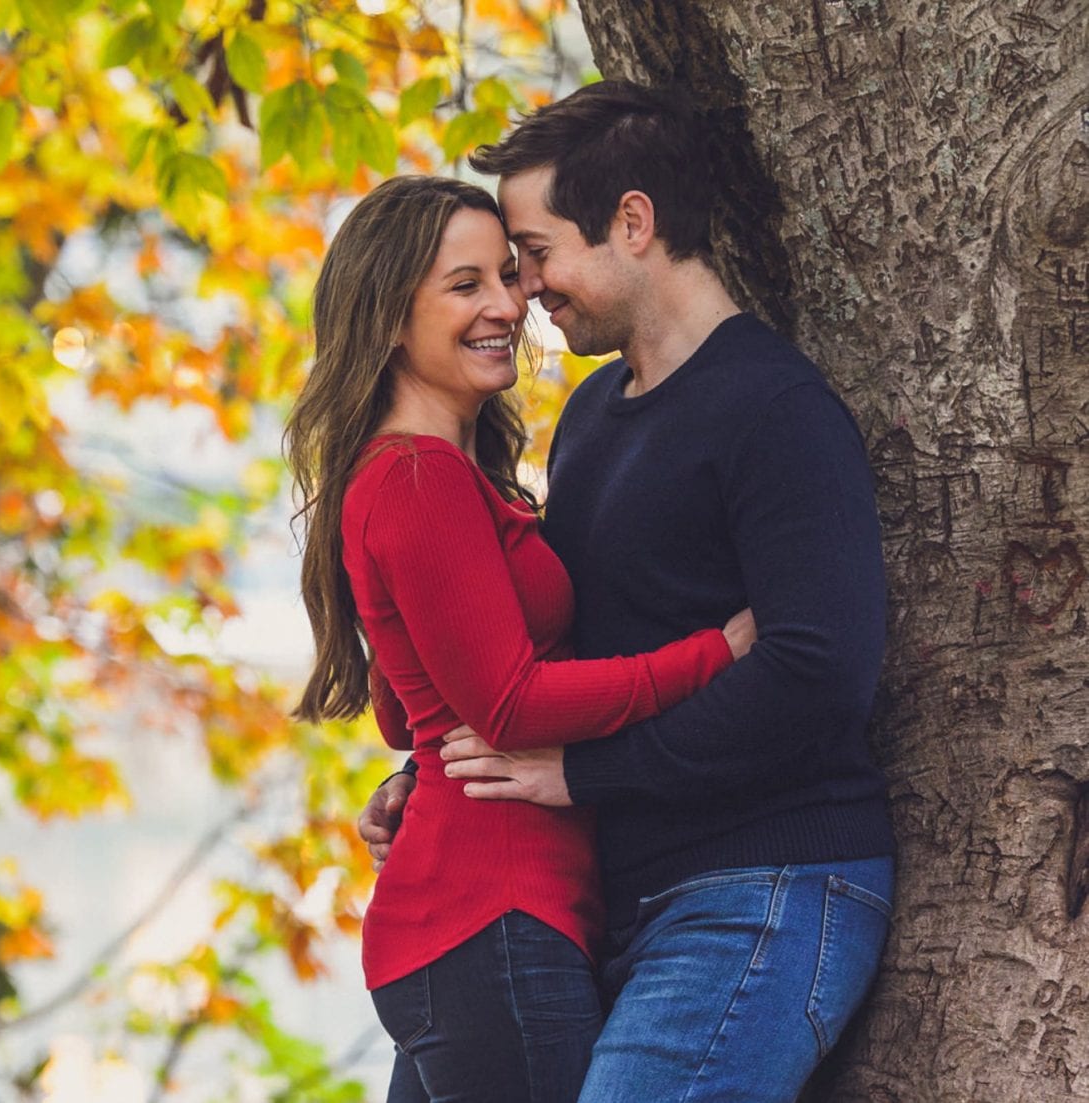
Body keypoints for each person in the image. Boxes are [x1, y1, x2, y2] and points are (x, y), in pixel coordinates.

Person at [358, 82, 896, 1103]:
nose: (524, 292)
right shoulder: (595, 416)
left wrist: (585, 772)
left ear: (633, 223)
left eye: (535, 253)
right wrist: (436, 771)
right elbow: (555, 661)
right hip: (620, 898)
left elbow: (816, 671)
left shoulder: (776, 408)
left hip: (763, 884)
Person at [287, 174, 756, 1103]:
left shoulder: (439, 476)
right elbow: (508, 705)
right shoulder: (419, 478)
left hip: (463, 926)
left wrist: (416, 771)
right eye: (465, 285)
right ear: (388, 318)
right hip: (493, 918)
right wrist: (716, 652)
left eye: (508, 274)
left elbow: (405, 705)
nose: (508, 304)